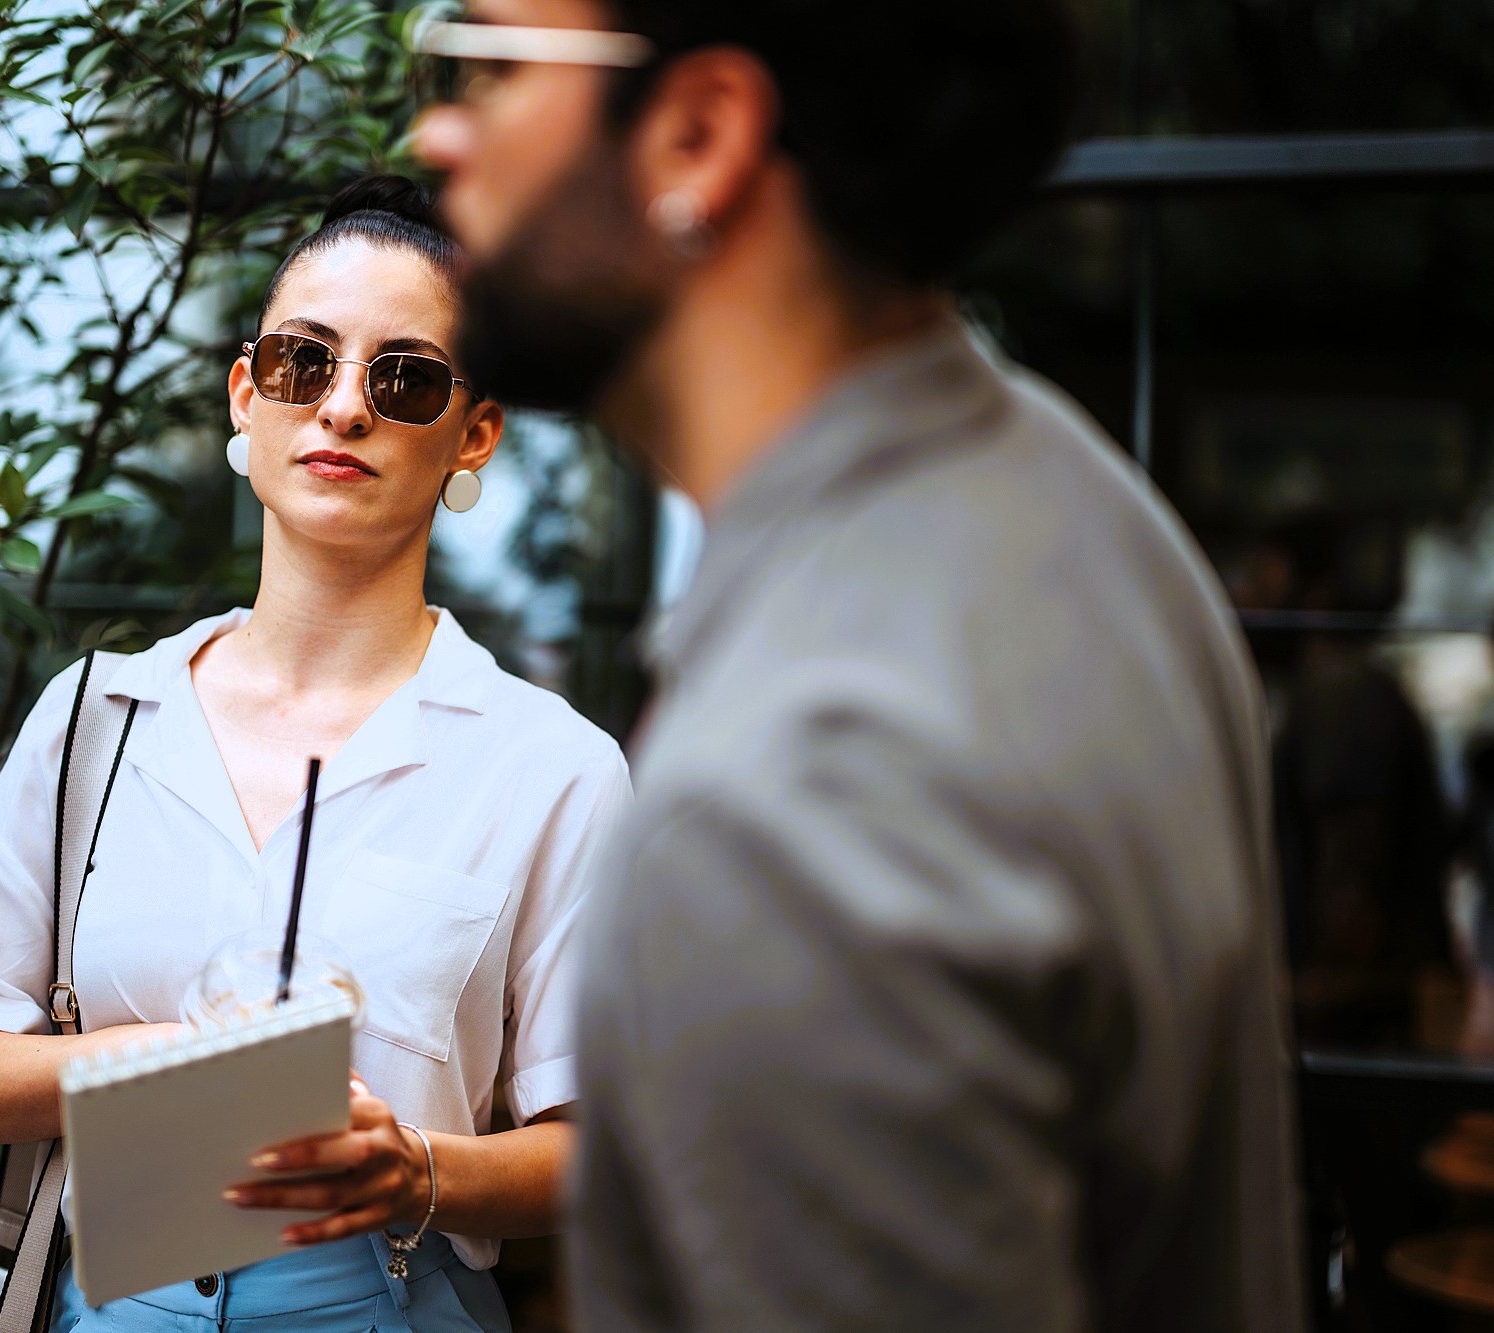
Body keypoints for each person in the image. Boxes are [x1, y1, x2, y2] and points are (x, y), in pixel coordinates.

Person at [414, 4, 1307, 1330]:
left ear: (700, 137)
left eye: (487, 66)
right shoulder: (1080, 504)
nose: (438, 131)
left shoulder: (794, 804)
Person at [0, 176, 630, 1332]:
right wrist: (171, 1059)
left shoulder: (550, 766)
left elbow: (604, 1155)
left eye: (405, 378)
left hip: (391, 1300)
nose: (343, 409)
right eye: (304, 361)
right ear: (246, 394)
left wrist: (416, 1170)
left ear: (472, 430)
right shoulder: (98, 716)